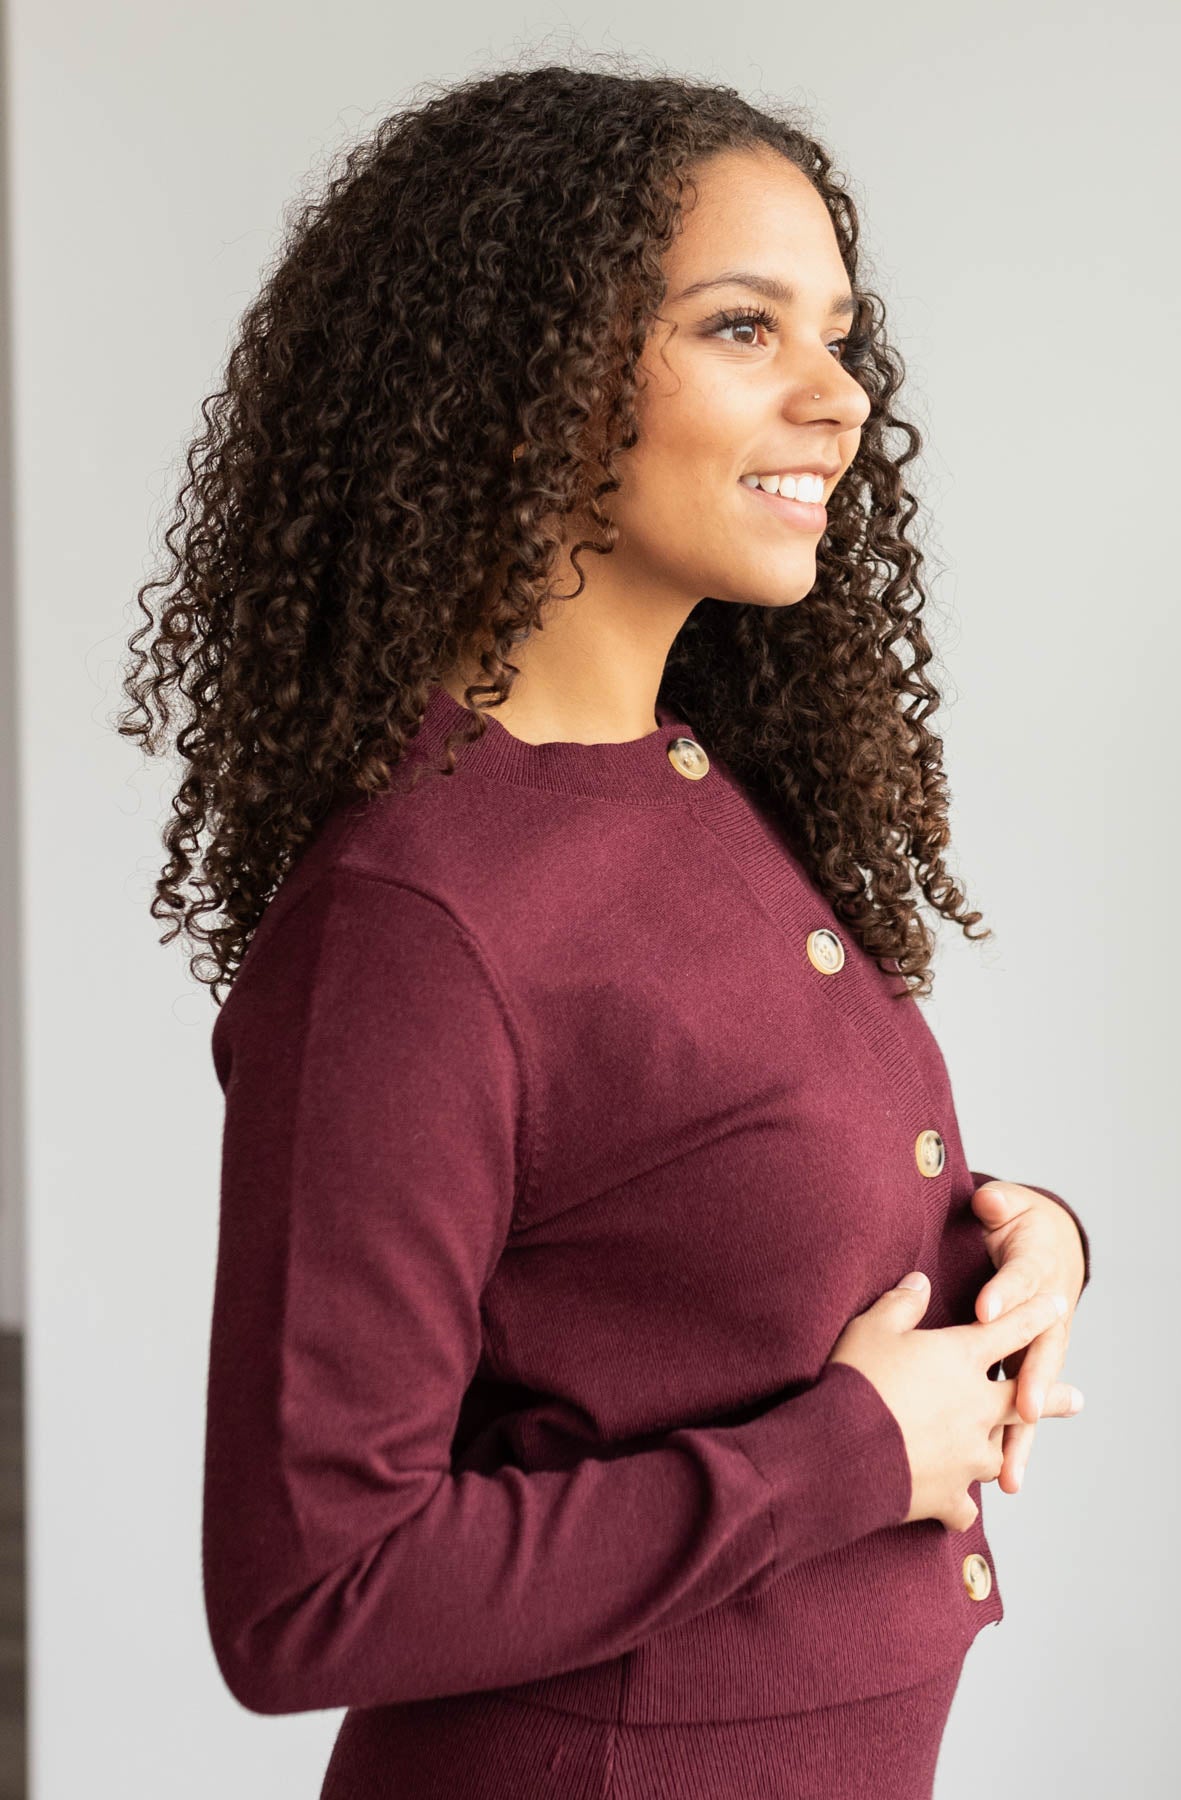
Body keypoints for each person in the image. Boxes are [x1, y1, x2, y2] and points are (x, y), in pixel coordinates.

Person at [118, 57, 1091, 1800]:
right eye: (742, 329)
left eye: (838, 336)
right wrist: (846, 1456)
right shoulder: (411, 922)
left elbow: (677, 1235)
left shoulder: (697, 786)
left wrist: (1019, 1242)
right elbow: (309, 1594)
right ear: (522, 381)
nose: (840, 399)